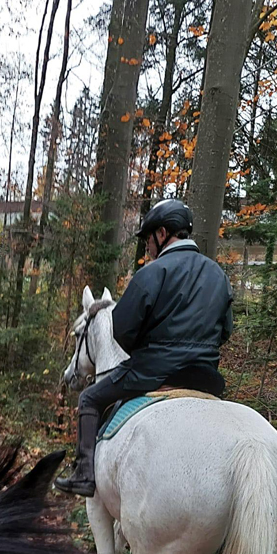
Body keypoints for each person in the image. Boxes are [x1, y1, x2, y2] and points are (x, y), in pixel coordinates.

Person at [54, 199, 234, 497]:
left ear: (162, 234)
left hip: (152, 374)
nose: (147, 247)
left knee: (88, 398)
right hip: (205, 378)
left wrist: (146, 351)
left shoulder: (151, 273)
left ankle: (84, 474)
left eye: (148, 238)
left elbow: (122, 330)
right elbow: (225, 331)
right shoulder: (219, 276)